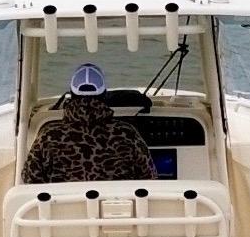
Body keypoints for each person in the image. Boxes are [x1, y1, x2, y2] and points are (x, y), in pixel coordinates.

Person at [23, 62, 155, 184]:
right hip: (118, 203)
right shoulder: (127, 134)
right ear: (104, 96)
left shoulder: (48, 136)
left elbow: (29, 179)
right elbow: (149, 176)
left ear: (72, 96)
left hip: (63, 203)